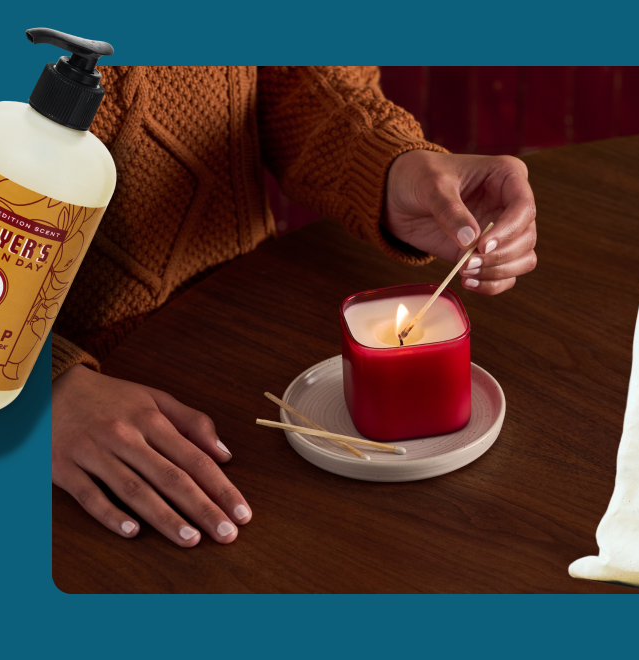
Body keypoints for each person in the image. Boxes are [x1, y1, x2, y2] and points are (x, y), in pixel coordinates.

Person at [52, 66, 538, 547]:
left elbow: (296, 74)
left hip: (245, 310)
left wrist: (390, 166)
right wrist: (41, 387)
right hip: (67, 408)